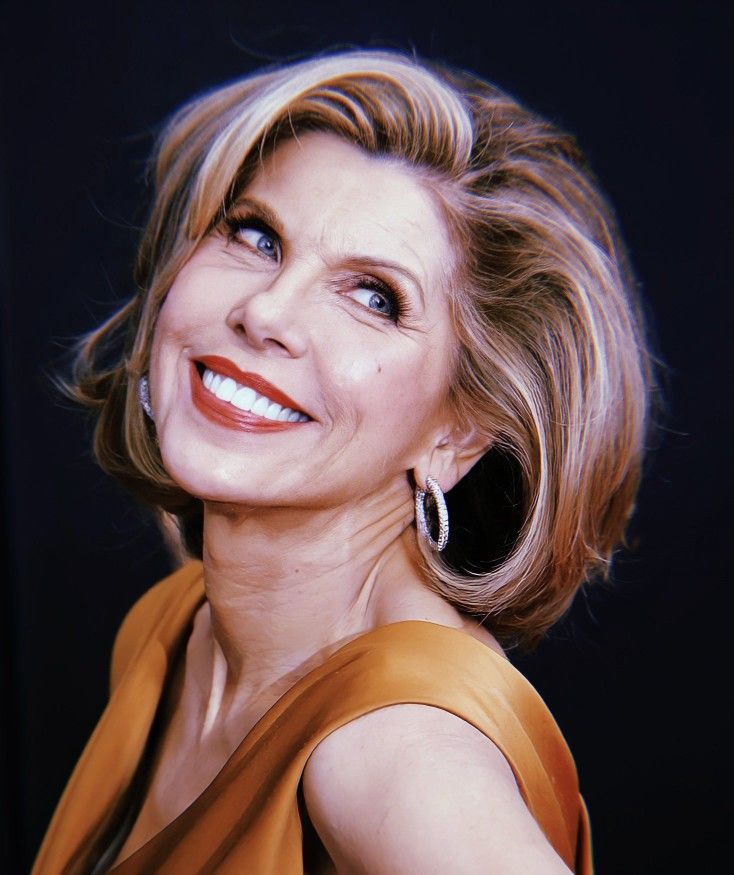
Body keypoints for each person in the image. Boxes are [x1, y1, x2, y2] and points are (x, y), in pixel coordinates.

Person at [32, 48, 651, 874]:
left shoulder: (396, 750)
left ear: (457, 434)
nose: (266, 311)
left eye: (374, 298)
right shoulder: (174, 632)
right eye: (256, 235)